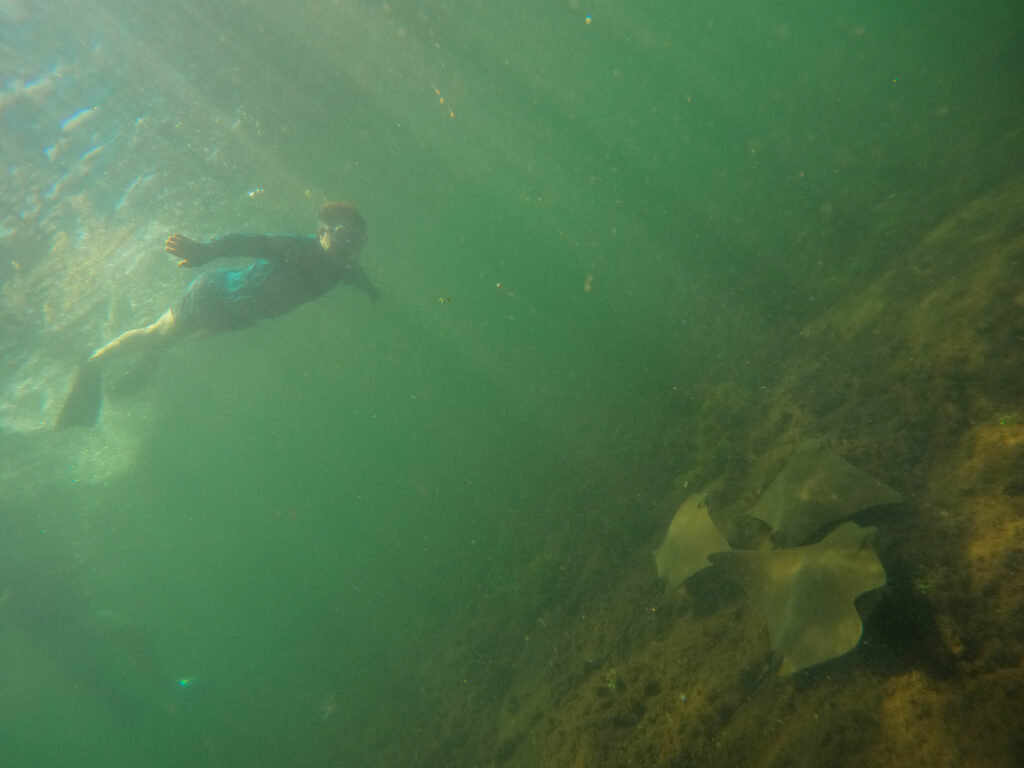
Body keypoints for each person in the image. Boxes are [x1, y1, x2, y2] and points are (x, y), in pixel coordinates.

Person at [55, 201, 377, 429]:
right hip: (213, 297)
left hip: (237, 318)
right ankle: (95, 363)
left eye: (356, 241)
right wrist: (204, 251)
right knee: (158, 334)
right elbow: (251, 243)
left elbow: (356, 276)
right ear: (322, 232)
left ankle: (152, 356)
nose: (349, 245)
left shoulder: (343, 268)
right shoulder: (299, 248)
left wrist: (370, 290)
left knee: (182, 342)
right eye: (342, 234)